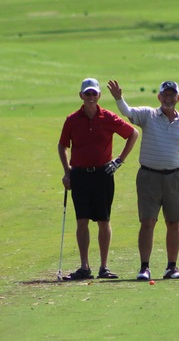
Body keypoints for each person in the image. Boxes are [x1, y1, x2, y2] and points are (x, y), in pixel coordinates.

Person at [106, 79, 179, 281]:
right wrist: (119, 98)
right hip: (149, 176)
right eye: (165, 95)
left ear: (178, 98)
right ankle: (144, 268)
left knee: (174, 222)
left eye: (172, 95)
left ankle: (171, 267)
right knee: (148, 221)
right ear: (159, 97)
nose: (168, 98)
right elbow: (128, 112)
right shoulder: (148, 115)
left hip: (174, 177)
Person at [58, 78, 140, 280]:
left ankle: (104, 267)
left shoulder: (108, 117)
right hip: (79, 175)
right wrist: (67, 171)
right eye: (87, 94)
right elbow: (62, 146)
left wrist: (119, 161)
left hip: (103, 174)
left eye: (94, 94)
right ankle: (84, 267)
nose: (91, 97)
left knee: (104, 221)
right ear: (81, 96)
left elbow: (133, 134)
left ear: (99, 96)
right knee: (82, 220)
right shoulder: (72, 119)